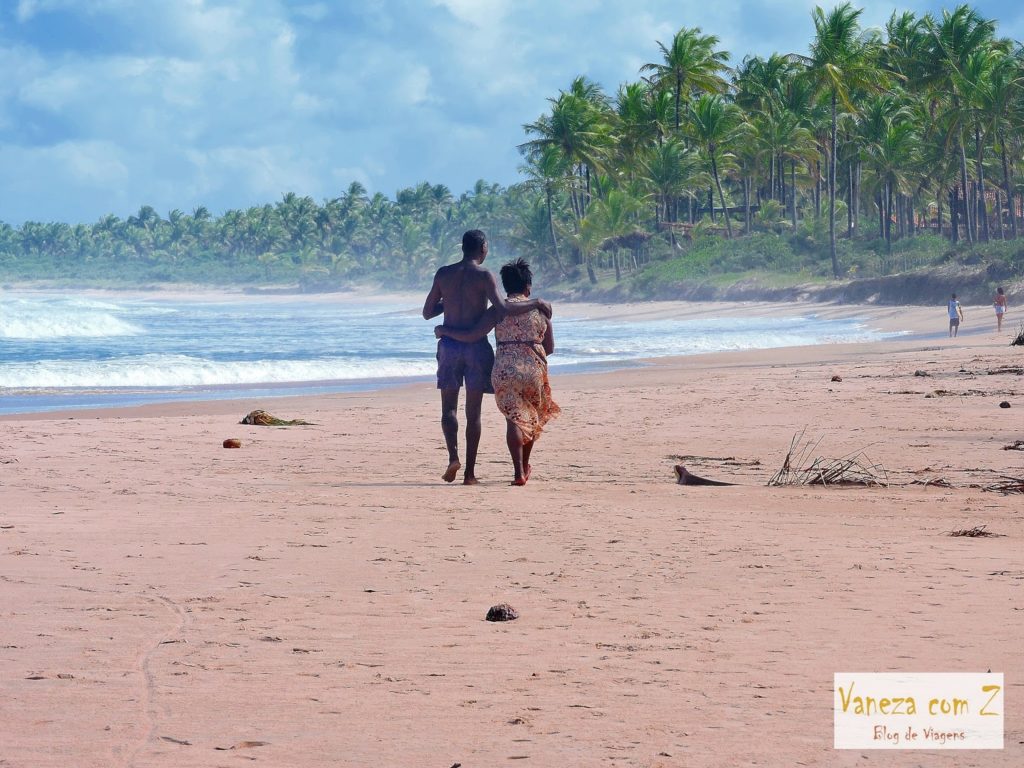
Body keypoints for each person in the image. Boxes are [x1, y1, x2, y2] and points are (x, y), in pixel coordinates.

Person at [422, 230, 550, 485]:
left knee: (448, 408)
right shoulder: (484, 275)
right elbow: (502, 309)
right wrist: (535, 302)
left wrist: (449, 303)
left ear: (463, 248)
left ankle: (452, 457)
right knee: (474, 414)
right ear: (483, 248)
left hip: (449, 346)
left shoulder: (443, 274)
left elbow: (427, 312)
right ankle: (469, 474)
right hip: (475, 348)